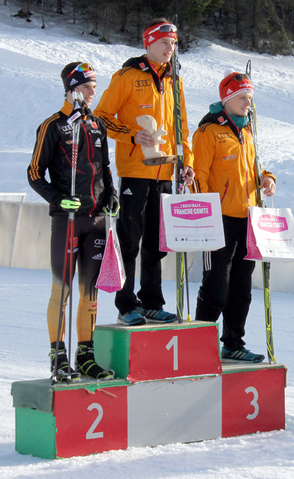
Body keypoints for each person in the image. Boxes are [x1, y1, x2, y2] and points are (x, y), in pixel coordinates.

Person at [94, 19, 194, 326]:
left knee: (156, 242)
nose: (170, 49)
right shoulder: (127, 76)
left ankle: (152, 302)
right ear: (148, 43)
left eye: (174, 44)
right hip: (135, 171)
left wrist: (187, 162)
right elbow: (101, 117)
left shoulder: (175, 81)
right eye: (165, 43)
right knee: (130, 240)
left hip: (165, 173)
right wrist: (131, 135)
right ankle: (126, 304)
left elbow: (182, 129)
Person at [28, 62, 118, 381]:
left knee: (90, 293)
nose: (94, 92)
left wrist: (111, 193)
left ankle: (86, 355)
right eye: (87, 87)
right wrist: (56, 198)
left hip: (95, 220)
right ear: (71, 89)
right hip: (67, 220)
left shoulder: (97, 125)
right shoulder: (53, 126)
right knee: (62, 291)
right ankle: (58, 356)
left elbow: (105, 167)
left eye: (94, 86)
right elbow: (34, 173)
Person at [192, 70, 275, 363]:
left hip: (248, 218)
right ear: (226, 99)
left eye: (250, 98)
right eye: (242, 98)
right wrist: (204, 218)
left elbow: (255, 167)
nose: (247, 104)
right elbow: (197, 176)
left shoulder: (248, 131)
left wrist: (267, 178)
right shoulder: (209, 131)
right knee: (216, 285)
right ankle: (199, 341)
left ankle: (233, 342)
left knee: (242, 288)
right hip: (220, 218)